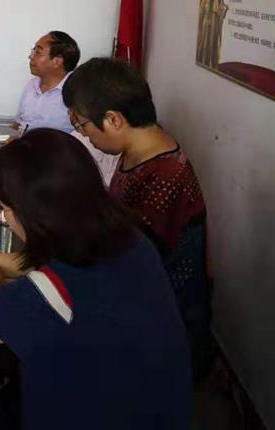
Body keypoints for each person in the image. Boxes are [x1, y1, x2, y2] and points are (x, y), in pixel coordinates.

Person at [0, 129, 191, 429]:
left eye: (3, 208)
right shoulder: (129, 240)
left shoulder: (52, 297)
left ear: (25, 214)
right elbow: (51, 267)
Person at [62, 57, 212, 379]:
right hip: (126, 287)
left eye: (83, 126)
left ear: (113, 119)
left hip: (158, 326)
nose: (85, 136)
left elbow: (128, 264)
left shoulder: (165, 177)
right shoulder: (138, 148)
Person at [14, 30, 78, 134]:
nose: (30, 56)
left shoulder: (76, 91)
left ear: (57, 62)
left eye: (38, 53)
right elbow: (18, 125)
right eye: (33, 51)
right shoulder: (32, 84)